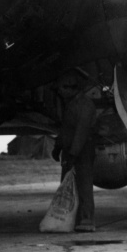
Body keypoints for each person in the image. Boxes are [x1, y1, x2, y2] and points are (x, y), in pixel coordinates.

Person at [52, 71, 97, 232]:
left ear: (72, 88)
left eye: (62, 88)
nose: (59, 92)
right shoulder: (70, 104)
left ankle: (87, 220)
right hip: (70, 150)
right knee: (67, 186)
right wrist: (58, 147)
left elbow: (81, 132)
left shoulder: (85, 105)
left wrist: (73, 154)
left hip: (82, 151)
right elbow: (65, 130)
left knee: (84, 185)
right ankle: (71, 219)